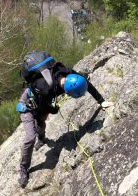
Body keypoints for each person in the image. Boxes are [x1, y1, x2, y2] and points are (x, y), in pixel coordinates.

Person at [17, 51, 114, 187]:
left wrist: (101, 101)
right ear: (68, 92)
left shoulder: (69, 73)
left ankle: (42, 138)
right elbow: (42, 106)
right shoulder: (45, 88)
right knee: (30, 136)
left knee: (41, 122)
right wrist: (53, 110)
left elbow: (85, 82)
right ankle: (23, 168)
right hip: (27, 104)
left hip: (41, 99)